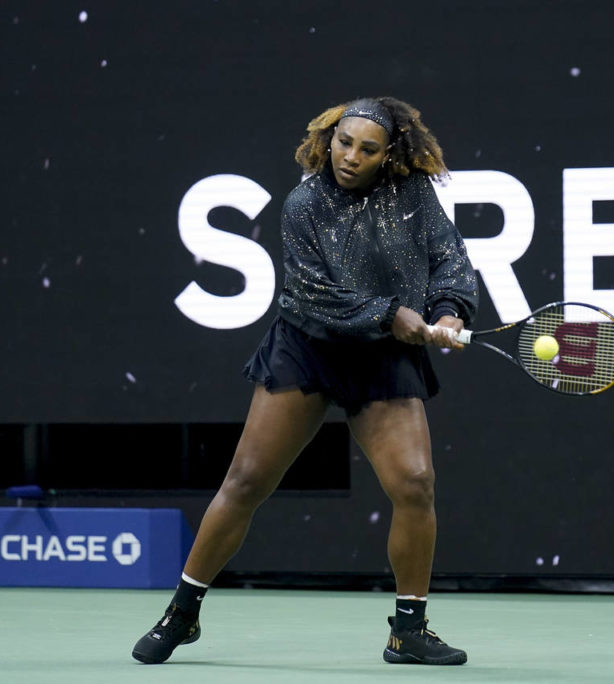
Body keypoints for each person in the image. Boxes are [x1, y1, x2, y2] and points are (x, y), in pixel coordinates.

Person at [132, 97, 477, 666]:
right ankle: (182, 613)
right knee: (246, 482)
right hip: (308, 347)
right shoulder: (304, 203)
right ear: (330, 138)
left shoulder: (414, 194)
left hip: (382, 358)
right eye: (344, 142)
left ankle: (409, 631)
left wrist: (447, 310)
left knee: (416, 483)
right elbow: (317, 293)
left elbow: (450, 259)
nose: (350, 157)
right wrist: (391, 313)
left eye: (367, 149)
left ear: (388, 154)